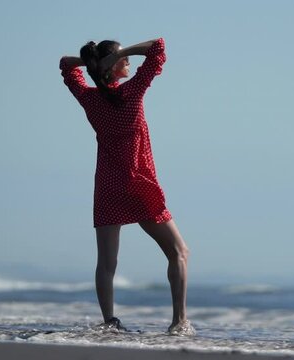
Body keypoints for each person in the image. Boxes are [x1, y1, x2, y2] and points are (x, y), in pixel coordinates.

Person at [59, 37, 195, 336]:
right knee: (179, 252)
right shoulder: (132, 93)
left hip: (107, 185)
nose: (128, 63)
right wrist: (120, 53)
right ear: (115, 65)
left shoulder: (89, 98)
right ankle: (179, 322)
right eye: (124, 59)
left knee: (107, 263)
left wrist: (93, 65)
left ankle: (110, 322)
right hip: (137, 183)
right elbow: (158, 48)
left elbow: (66, 66)